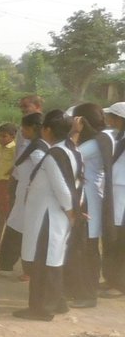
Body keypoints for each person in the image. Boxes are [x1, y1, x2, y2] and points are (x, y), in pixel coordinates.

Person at [16, 112, 78, 320]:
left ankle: (41, 308)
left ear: (48, 130)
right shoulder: (69, 149)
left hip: (47, 218)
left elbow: (62, 187)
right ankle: (56, 302)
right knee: (52, 261)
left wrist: (71, 211)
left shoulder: (54, 155)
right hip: (53, 216)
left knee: (43, 264)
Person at [65, 103, 109, 309]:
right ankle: (79, 290)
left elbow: (67, 156)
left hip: (88, 200)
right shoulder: (98, 139)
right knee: (82, 249)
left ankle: (87, 294)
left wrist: (73, 132)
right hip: (88, 198)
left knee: (86, 250)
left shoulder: (92, 144)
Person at [0, 113, 45, 275]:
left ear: (32, 128)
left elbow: (41, 172)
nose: (22, 131)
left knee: (28, 235)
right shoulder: (29, 144)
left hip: (30, 197)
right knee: (13, 229)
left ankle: (28, 271)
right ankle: (6, 262)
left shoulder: (38, 150)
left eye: (24, 128)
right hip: (21, 195)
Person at [101, 102, 125, 295]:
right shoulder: (118, 137)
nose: (109, 119)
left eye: (112, 116)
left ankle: (118, 283)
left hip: (121, 192)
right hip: (115, 190)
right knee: (112, 235)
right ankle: (112, 279)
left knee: (118, 237)